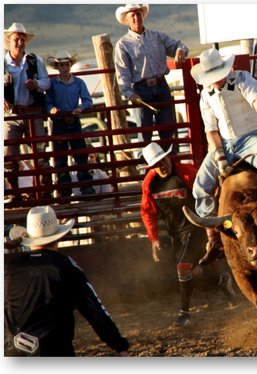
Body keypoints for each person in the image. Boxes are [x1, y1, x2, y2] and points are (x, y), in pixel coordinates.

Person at [189, 47, 257, 264]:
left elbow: (256, 98)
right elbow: (211, 130)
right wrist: (219, 156)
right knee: (200, 186)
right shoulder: (205, 95)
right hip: (224, 144)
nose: (216, 80)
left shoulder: (241, 79)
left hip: (250, 137)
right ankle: (213, 238)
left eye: (218, 75)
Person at [4, 205, 129, 356]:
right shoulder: (64, 266)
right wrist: (119, 344)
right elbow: (93, 309)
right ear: (58, 237)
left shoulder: (9, 268)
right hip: (54, 352)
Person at [139, 142, 237, 326]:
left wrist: (210, 224)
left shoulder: (186, 172)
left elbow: (207, 191)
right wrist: (154, 239)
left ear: (169, 157)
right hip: (176, 233)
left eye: (164, 160)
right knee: (194, 271)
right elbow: (147, 212)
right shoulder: (149, 184)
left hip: (195, 226)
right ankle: (222, 281)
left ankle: (184, 314)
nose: (163, 165)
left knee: (183, 268)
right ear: (151, 167)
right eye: (157, 163)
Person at [114, 4, 189, 152]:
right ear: (127, 20)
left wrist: (180, 50)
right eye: (132, 15)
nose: (136, 18)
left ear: (143, 15)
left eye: (138, 14)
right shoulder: (123, 45)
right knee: (144, 134)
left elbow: (179, 45)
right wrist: (129, 93)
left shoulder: (158, 36)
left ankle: (172, 168)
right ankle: (147, 170)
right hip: (141, 91)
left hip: (161, 86)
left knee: (168, 130)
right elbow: (122, 72)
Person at [4, 22, 51, 198]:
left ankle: (45, 191)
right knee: (9, 154)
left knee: (39, 153)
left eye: (22, 40)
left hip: (33, 110)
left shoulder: (34, 60)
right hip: (12, 113)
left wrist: (37, 84)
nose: (20, 43)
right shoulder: (2, 63)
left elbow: (47, 82)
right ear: (9, 41)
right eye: (17, 39)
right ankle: (14, 192)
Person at [45, 50, 95, 197]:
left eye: (66, 64)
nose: (64, 68)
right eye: (61, 65)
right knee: (61, 158)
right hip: (60, 121)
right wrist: (51, 109)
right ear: (57, 67)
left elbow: (88, 100)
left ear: (70, 65)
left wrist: (81, 107)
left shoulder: (78, 82)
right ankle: (65, 189)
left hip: (73, 121)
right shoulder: (52, 84)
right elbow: (47, 102)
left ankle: (85, 186)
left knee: (80, 155)